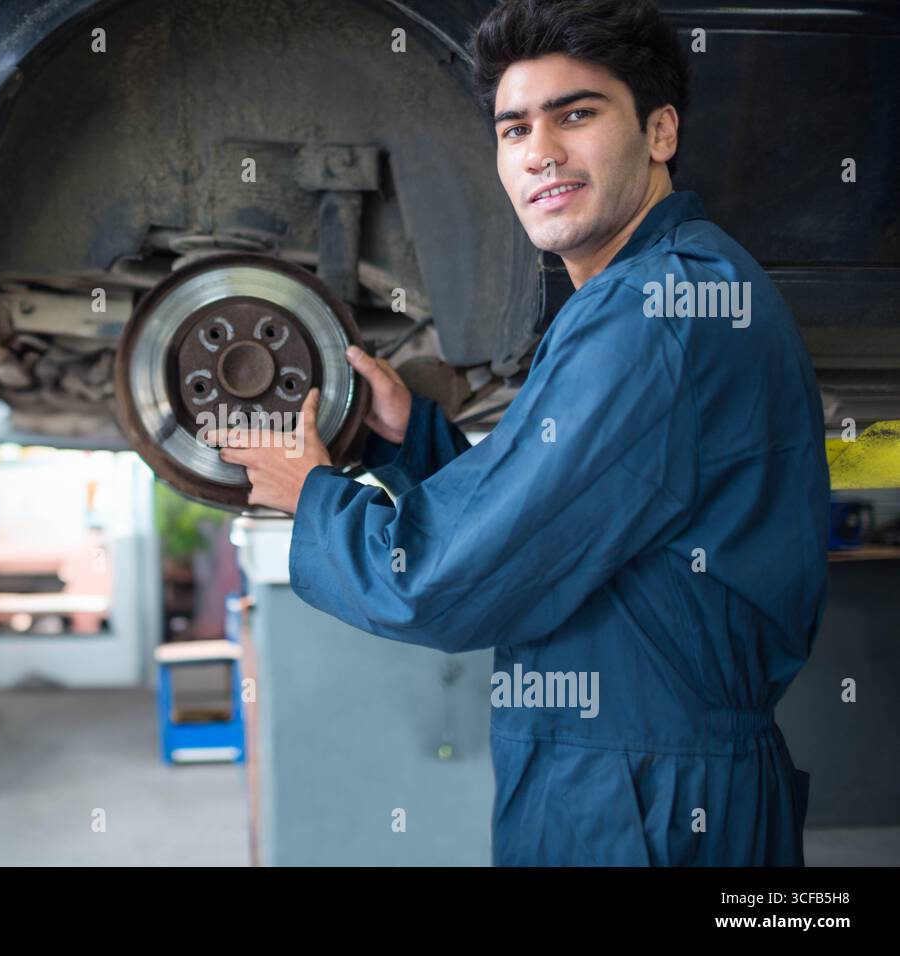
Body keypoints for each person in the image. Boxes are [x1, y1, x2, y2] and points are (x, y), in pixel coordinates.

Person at [217, 0, 828, 865]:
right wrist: (409, 442)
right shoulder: (662, 287)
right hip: (651, 782)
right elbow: (573, 512)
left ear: (659, 131)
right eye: (513, 128)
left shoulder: (652, 315)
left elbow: (442, 581)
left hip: (644, 808)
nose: (539, 151)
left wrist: (314, 497)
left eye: (576, 115)